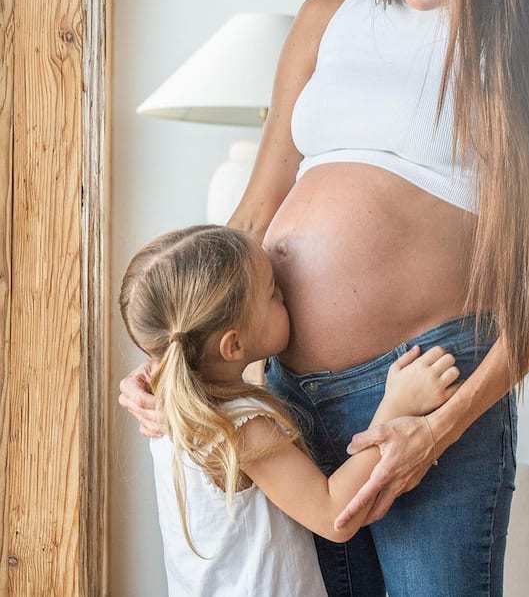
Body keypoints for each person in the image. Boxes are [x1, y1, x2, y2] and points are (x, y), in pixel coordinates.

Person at [119, 0, 529, 596]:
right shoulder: (328, 19)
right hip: (285, 401)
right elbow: (252, 215)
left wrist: (436, 431)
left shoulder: (519, 65)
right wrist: (170, 357)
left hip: (427, 394)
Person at [119, 224, 460, 597]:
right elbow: (334, 515)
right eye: (273, 294)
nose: (285, 292)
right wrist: (398, 404)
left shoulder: (175, 412)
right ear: (233, 345)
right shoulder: (239, 426)